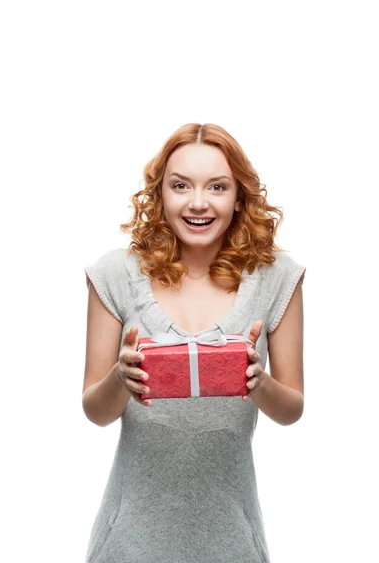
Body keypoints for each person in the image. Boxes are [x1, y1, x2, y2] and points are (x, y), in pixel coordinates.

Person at [82, 122, 306, 563]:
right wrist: (120, 379)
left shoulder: (278, 277)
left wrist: (257, 381)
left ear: (239, 197)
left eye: (217, 187)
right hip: (128, 541)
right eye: (180, 186)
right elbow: (95, 411)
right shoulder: (116, 275)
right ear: (160, 194)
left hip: (234, 541)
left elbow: (293, 409)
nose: (198, 203)